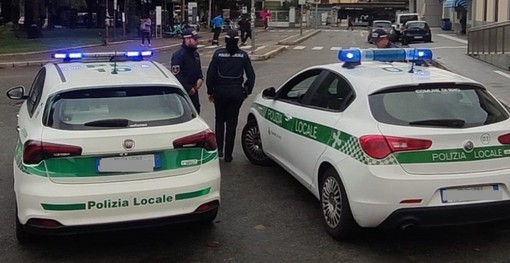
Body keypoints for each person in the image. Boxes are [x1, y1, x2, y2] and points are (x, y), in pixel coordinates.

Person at [206, 29, 256, 163]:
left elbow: (210, 74)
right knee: (232, 123)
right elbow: (251, 76)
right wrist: (246, 91)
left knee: (219, 120)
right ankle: (228, 154)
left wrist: (210, 91)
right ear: (238, 41)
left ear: (226, 40)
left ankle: (220, 150)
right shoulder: (243, 55)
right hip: (236, 92)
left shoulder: (218, 54)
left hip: (220, 91)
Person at [171, 28, 204, 114]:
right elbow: (176, 75)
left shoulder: (195, 54)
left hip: (194, 91)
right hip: (184, 93)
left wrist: (200, 78)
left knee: (196, 113)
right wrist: (188, 88)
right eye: (195, 39)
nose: (197, 41)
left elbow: (198, 70)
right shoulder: (179, 55)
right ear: (187, 40)